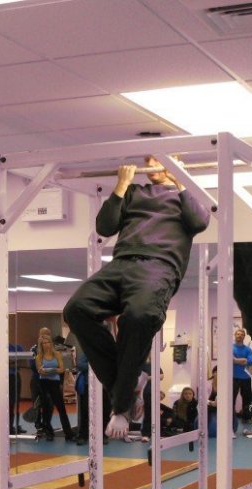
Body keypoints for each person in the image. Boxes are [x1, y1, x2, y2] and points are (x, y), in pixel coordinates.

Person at [63, 154, 210, 440]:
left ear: (175, 161)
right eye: (149, 158)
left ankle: (121, 406)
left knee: (139, 317)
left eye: (160, 158)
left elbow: (199, 222)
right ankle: (128, 386)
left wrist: (181, 180)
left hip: (159, 266)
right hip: (121, 263)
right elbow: (105, 227)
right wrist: (121, 185)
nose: (152, 163)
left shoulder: (185, 194)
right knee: (76, 309)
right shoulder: (133, 192)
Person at [34, 334, 74, 441]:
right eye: (44, 343)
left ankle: (68, 433)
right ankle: (48, 432)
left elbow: (62, 369)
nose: (46, 344)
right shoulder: (38, 357)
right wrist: (46, 371)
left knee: (61, 408)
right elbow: (40, 370)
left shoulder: (57, 354)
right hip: (44, 383)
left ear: (51, 343)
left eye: (48, 342)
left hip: (55, 383)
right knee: (46, 408)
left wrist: (52, 370)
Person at [231, 328, 252, 422]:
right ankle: (231, 418)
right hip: (233, 377)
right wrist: (244, 360)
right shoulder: (230, 348)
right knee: (231, 399)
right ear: (235, 335)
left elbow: (251, 361)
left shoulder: (248, 349)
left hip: (246, 378)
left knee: (247, 400)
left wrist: (236, 360)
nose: (239, 336)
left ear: (244, 337)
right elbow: (230, 360)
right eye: (238, 334)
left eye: (241, 334)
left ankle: (246, 418)